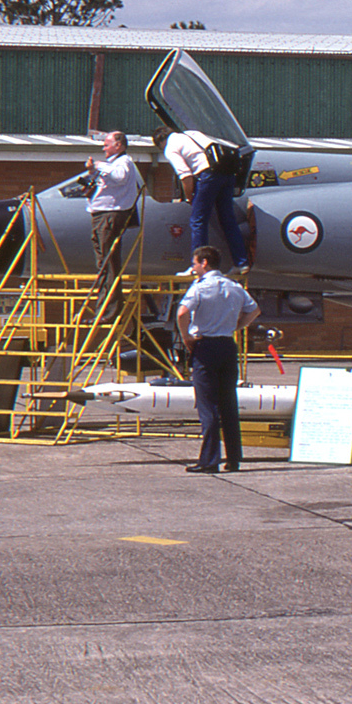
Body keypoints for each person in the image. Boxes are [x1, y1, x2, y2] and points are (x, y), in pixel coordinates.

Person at [178, 245, 261, 473]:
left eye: (194, 264)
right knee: (228, 404)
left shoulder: (200, 288)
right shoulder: (234, 287)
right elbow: (254, 310)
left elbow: (182, 313)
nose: (193, 268)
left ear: (204, 263)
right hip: (227, 345)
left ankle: (209, 459)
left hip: (205, 346)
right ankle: (233, 458)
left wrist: (186, 337)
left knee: (207, 406)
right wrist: (237, 326)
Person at [151, 125, 249, 275]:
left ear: (160, 142)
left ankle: (197, 266)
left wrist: (190, 197)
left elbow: (185, 176)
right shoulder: (192, 134)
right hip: (227, 174)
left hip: (208, 176)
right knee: (228, 220)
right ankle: (241, 263)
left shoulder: (170, 148)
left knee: (198, 221)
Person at [84, 131, 143, 319]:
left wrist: (98, 166)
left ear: (119, 145)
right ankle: (107, 308)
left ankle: (109, 310)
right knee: (103, 262)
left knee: (107, 263)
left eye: (107, 144)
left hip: (110, 215)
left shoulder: (123, 163)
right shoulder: (113, 165)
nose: (103, 148)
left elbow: (120, 177)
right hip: (102, 215)